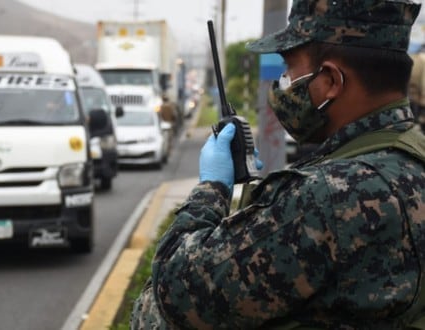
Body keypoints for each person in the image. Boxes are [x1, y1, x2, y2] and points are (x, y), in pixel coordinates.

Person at [131, 0, 425, 328]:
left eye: (288, 69)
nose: (283, 82)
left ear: (330, 81)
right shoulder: (414, 156)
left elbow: (176, 290)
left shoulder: (326, 197)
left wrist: (210, 190)